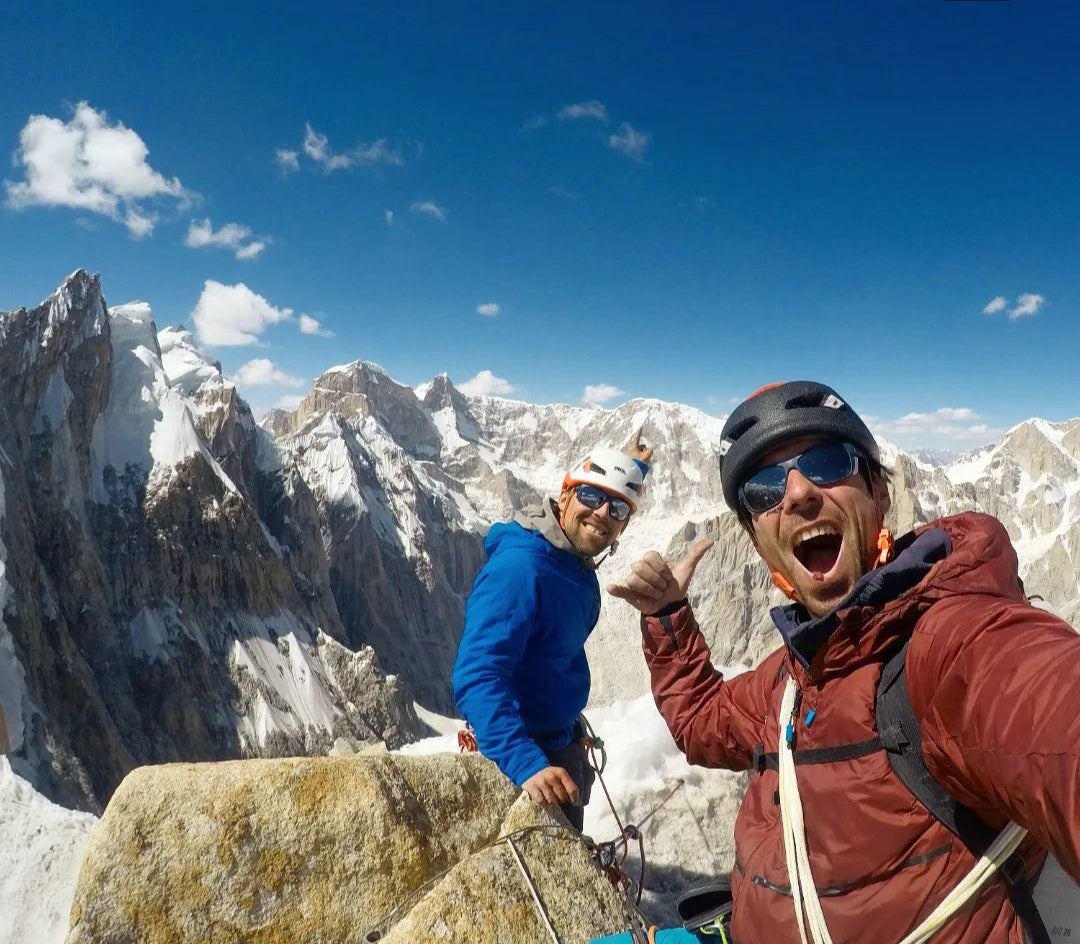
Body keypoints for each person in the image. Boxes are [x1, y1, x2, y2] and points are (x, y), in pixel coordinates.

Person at [606, 380, 1080, 944]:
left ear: (880, 494)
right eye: (763, 488)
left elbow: (1046, 708)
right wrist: (667, 616)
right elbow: (701, 723)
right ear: (757, 540)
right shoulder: (791, 682)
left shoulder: (950, 644)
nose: (799, 493)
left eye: (827, 462)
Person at [453, 434, 653, 830]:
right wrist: (525, 762)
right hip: (522, 756)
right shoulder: (521, 570)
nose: (602, 514)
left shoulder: (569, 556)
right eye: (592, 498)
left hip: (557, 739)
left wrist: (632, 468)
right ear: (565, 496)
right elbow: (478, 674)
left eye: (618, 509)